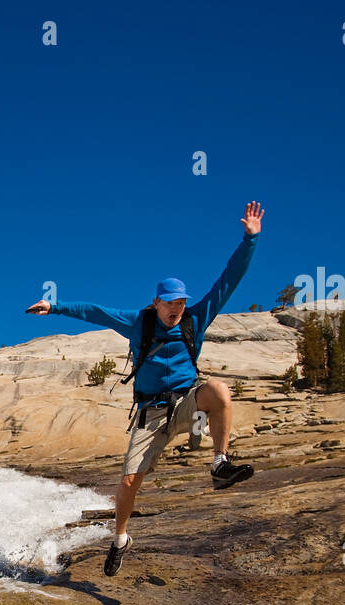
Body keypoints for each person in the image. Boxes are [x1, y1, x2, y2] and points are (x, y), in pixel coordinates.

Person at [26, 201, 264, 576]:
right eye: (170, 303)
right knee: (129, 480)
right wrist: (53, 307)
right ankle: (120, 539)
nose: (177, 309)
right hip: (151, 414)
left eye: (182, 303)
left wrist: (250, 239)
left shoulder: (195, 319)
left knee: (218, 391)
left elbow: (229, 280)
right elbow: (96, 311)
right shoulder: (140, 322)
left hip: (187, 400)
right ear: (156, 302)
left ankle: (220, 464)